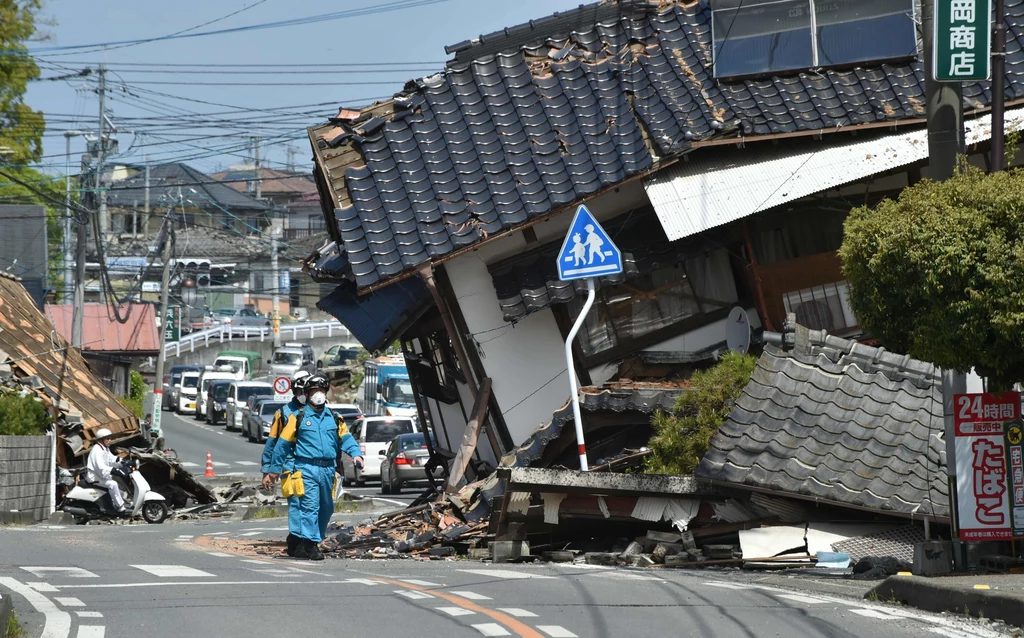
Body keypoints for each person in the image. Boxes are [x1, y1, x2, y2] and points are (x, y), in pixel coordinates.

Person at [266, 374, 363, 560]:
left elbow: (346, 438)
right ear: (308, 393)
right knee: (310, 507)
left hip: (328, 470)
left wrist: (356, 454)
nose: (318, 394)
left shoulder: (334, 418)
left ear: (326, 393)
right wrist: (273, 469)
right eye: (314, 391)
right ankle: (310, 545)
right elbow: (282, 445)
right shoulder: (298, 417)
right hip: (306, 468)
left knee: (326, 508)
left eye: (321, 390)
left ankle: (307, 541)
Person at [261, 370, 310, 557]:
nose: (303, 396)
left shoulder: (321, 412)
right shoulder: (283, 413)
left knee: (316, 505)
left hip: (314, 467)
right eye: (300, 392)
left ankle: (310, 539)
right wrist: (268, 469)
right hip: (290, 466)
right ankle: (296, 541)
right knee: (297, 504)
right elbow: (273, 442)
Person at [86, 428, 127, 515]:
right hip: (94, 477)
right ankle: (120, 508)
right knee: (113, 484)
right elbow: (101, 468)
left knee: (117, 487)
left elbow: (111, 459)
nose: (109, 440)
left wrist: (122, 461)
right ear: (101, 440)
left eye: (110, 438)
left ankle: (117, 503)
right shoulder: (97, 451)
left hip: (101, 476)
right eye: (107, 439)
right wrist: (114, 470)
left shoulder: (105, 449)